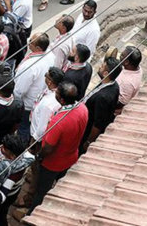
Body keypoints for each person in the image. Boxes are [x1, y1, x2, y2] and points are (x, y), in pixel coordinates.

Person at [28, 82, 88, 212]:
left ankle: (31, 214)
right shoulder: (83, 108)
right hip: (71, 157)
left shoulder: (59, 121)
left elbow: (49, 148)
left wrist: (39, 156)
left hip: (53, 163)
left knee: (41, 191)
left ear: (61, 99)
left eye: (56, 93)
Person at [13, 33, 53, 140]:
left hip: (26, 105)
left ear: (38, 48)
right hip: (36, 100)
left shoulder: (29, 66)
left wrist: (15, 104)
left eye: (31, 41)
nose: (28, 42)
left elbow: (19, 91)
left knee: (23, 128)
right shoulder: (50, 56)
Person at [82, 56, 121, 154]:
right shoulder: (113, 84)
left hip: (87, 129)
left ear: (106, 74)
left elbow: (98, 123)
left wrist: (88, 141)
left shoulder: (102, 97)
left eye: (102, 67)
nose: (99, 67)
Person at [30, 67, 64, 142]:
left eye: (46, 75)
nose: (44, 77)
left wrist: (33, 141)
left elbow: (42, 128)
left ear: (50, 82)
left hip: (35, 136)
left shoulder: (48, 104)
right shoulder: (51, 90)